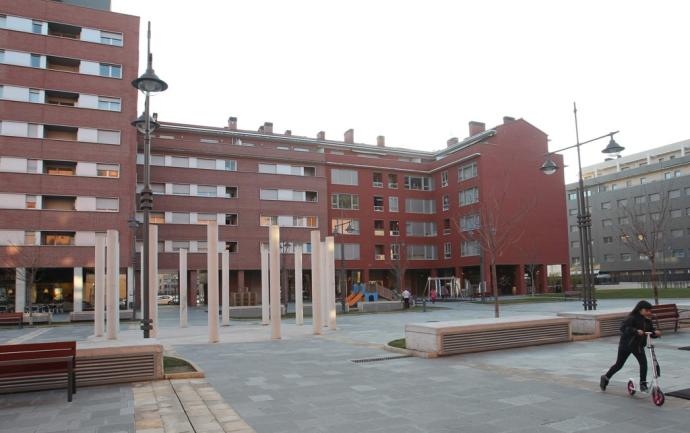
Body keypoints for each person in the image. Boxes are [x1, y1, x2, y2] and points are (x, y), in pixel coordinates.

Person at [600, 300, 661, 392]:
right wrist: (635, 331)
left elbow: (650, 332)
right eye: (647, 310)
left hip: (638, 346)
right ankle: (605, 377)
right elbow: (623, 328)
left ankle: (643, 384)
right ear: (640, 309)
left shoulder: (647, 320)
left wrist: (656, 333)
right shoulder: (632, 317)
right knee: (619, 365)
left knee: (643, 363)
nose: (649, 312)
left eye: (650, 310)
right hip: (626, 345)